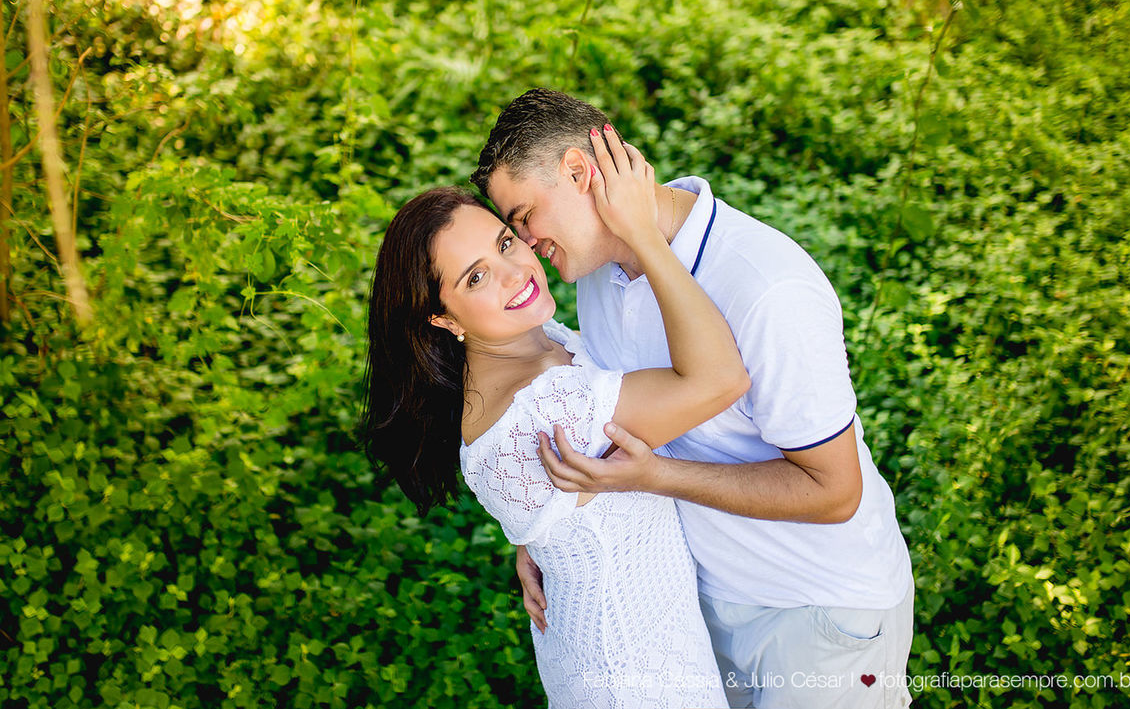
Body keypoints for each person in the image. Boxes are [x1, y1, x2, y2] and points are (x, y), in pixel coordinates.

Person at [471, 88, 915, 709]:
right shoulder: (599, 272)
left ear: (580, 172)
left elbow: (835, 491)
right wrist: (538, 535)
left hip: (815, 612)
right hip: (697, 602)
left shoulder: (766, 287)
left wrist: (657, 476)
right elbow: (597, 410)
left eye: (523, 217)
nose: (524, 241)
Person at [361, 130, 748, 707]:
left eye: (505, 243)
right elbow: (721, 380)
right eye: (475, 277)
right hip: (637, 681)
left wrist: (540, 538)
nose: (516, 272)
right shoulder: (545, 409)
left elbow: (549, 496)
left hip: (614, 652)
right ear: (442, 320)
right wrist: (644, 236)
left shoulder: (536, 346)